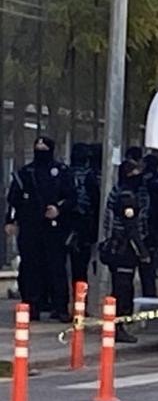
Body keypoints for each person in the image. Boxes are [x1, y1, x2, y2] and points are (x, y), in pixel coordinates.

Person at [5, 136, 75, 320]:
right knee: (30, 268)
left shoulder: (61, 172)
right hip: (30, 227)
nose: (41, 151)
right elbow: (14, 200)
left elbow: (71, 197)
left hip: (54, 229)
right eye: (38, 148)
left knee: (56, 267)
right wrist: (10, 221)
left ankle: (60, 307)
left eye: (44, 148)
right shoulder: (25, 173)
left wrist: (58, 209)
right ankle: (32, 306)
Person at [98, 158, 152, 344]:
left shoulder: (120, 191)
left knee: (121, 288)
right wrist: (142, 252)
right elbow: (131, 227)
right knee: (122, 289)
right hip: (123, 249)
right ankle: (118, 326)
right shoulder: (126, 196)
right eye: (134, 173)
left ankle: (117, 325)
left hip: (119, 247)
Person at [67, 143, 101, 288]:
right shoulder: (89, 176)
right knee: (80, 266)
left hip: (67, 223)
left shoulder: (65, 173)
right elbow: (95, 201)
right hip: (83, 224)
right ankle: (80, 297)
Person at [138, 149, 158, 298]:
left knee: (145, 267)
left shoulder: (141, 182)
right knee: (149, 267)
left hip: (146, 229)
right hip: (155, 229)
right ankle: (150, 295)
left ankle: (148, 295)